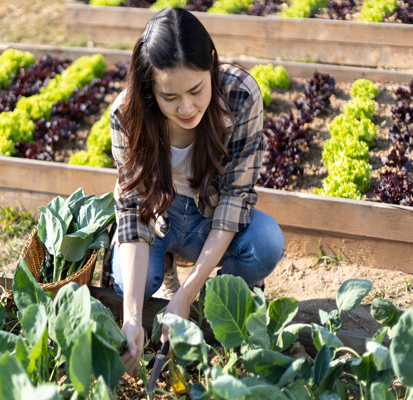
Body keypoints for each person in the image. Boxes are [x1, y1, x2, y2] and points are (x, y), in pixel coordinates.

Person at [109, 7, 286, 376]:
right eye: (169, 97)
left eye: (196, 89)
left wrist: (186, 297)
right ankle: (169, 277)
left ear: (212, 67)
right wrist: (130, 317)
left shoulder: (240, 96)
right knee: (131, 287)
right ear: (149, 89)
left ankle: (210, 301)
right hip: (157, 221)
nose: (187, 107)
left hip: (211, 219)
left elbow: (235, 201)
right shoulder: (127, 115)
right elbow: (132, 212)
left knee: (266, 242)